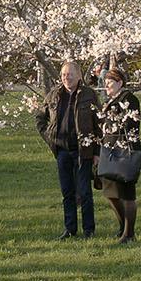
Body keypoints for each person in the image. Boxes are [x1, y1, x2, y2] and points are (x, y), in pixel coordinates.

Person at [34, 60, 100, 239]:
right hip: (62, 150)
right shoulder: (54, 95)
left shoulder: (89, 95)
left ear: (78, 76)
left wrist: (97, 152)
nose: (66, 78)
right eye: (64, 74)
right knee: (67, 192)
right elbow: (40, 117)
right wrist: (50, 138)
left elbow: (99, 123)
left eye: (70, 74)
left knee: (85, 192)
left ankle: (89, 230)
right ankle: (70, 229)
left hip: (83, 150)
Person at [96, 68, 141, 243]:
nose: (106, 85)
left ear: (120, 83)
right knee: (110, 193)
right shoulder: (110, 101)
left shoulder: (129, 99)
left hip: (124, 152)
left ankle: (129, 234)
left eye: (110, 82)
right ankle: (123, 227)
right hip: (109, 151)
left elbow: (130, 125)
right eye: (105, 82)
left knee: (127, 194)